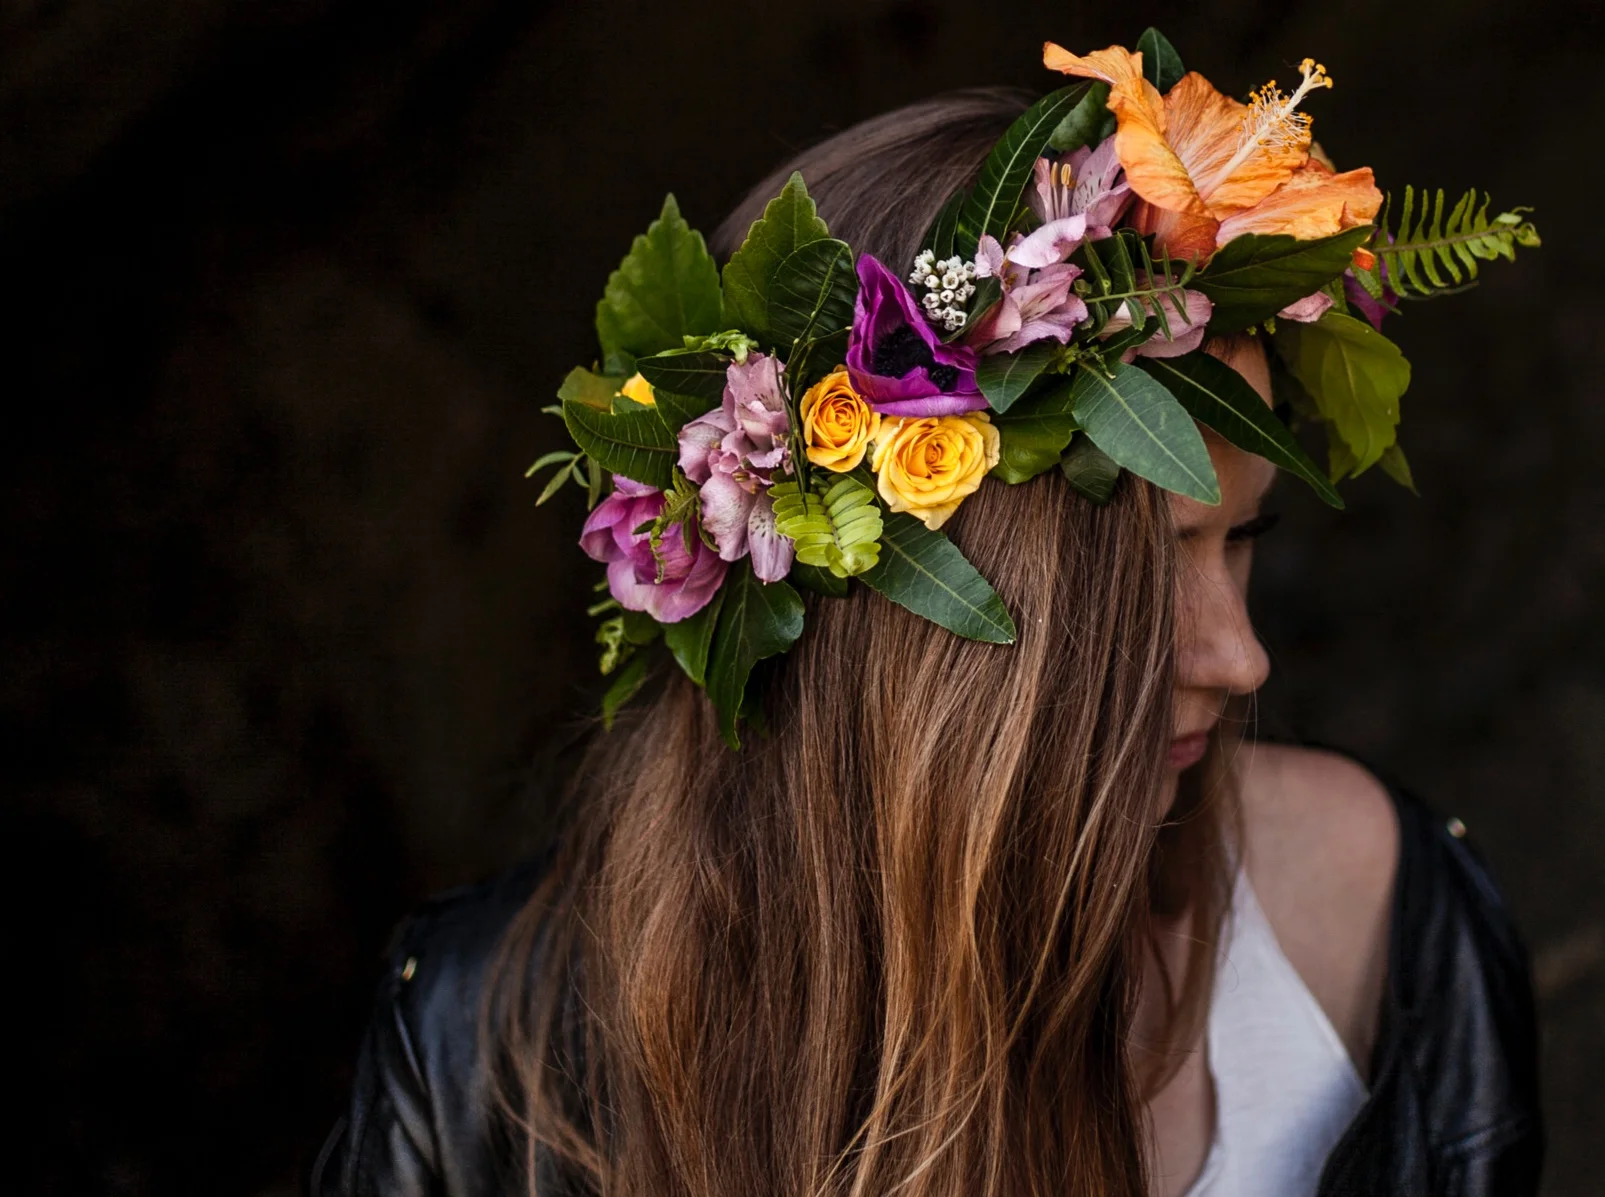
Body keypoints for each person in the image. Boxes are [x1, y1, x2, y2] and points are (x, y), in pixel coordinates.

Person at [315, 40, 1543, 1197]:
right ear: (900, 624)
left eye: (1246, 544)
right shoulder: (503, 1054)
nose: (1241, 657)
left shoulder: (1373, 914)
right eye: (1147, 582)